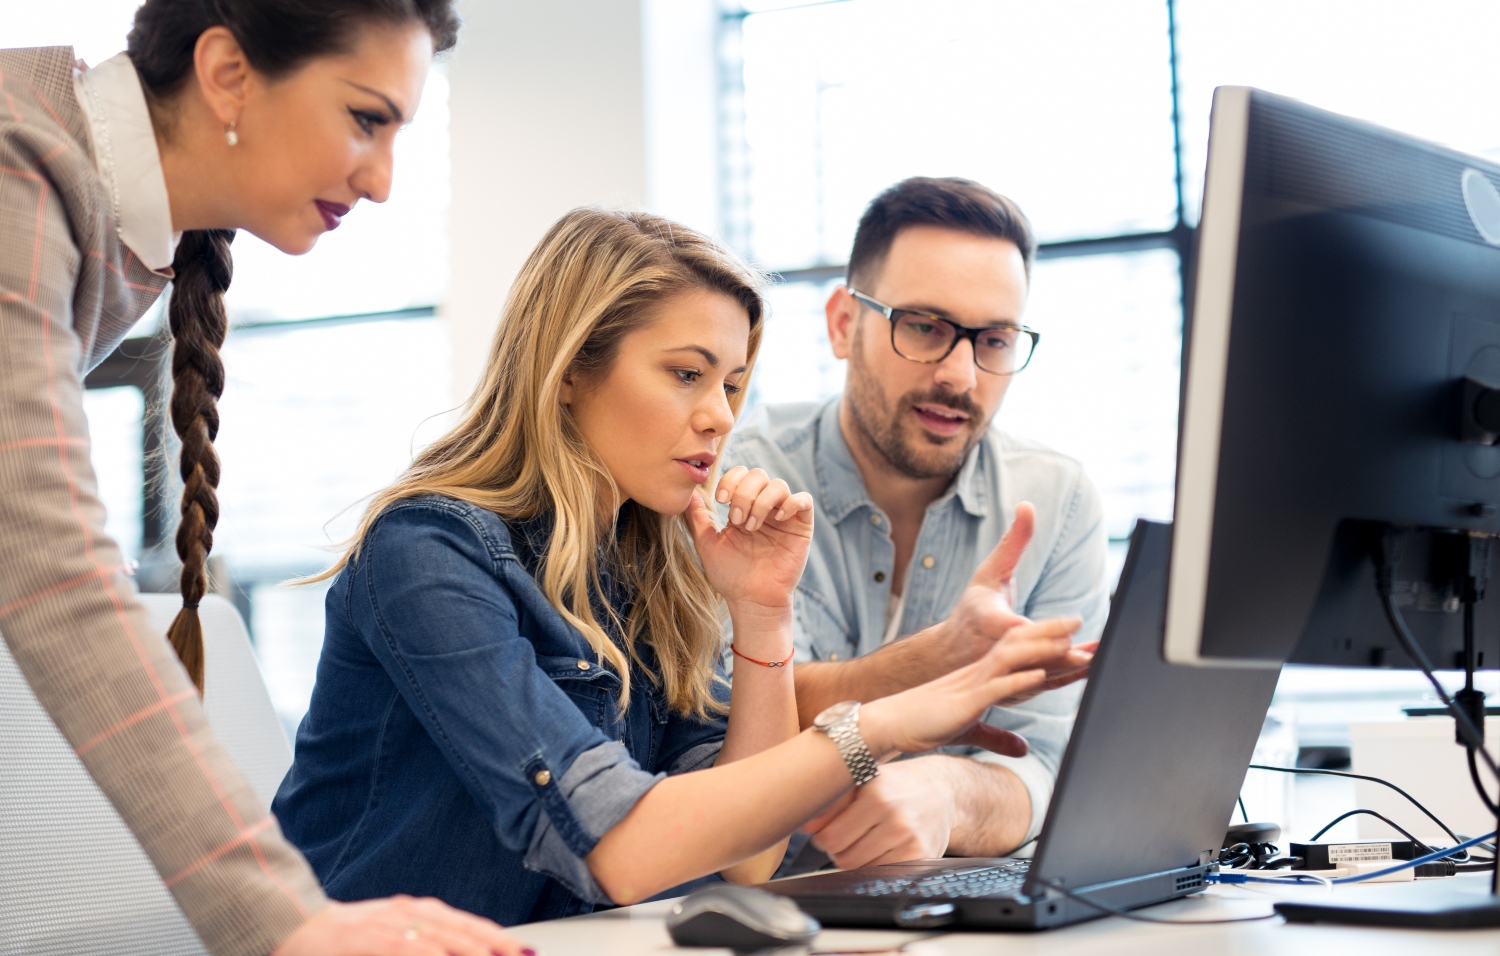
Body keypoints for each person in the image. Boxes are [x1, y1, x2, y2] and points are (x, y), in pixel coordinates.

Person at [272, 207, 1086, 926]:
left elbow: (750, 857)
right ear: (570, 369)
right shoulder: (426, 551)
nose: (721, 416)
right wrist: (875, 726)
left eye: (731, 384)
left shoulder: (644, 571)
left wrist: (761, 614)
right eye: (687, 374)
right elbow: (620, 849)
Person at [0, 2, 525, 953]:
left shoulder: (104, 216)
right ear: (228, 74)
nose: (383, 182)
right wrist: (286, 921)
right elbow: (51, 573)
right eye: (365, 119)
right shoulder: (16, 169)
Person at [720, 176, 1107, 874]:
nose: (961, 376)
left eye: (995, 340)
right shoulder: (737, 482)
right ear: (844, 324)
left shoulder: (1059, 502)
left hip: (958, 907)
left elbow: (1052, 769)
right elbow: (728, 720)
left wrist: (950, 793)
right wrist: (943, 657)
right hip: (759, 905)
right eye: (925, 327)